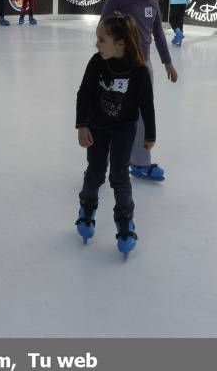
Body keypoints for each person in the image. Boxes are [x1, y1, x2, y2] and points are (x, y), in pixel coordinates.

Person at [75, 13, 154, 257]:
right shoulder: (97, 62)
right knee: (95, 171)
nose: (97, 45)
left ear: (121, 43)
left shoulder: (139, 71)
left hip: (124, 129)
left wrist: (149, 134)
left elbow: (147, 105)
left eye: (102, 40)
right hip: (97, 127)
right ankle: (87, 210)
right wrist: (82, 125)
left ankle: (125, 222)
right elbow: (84, 93)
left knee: (120, 176)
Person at [100, 0, 177, 182]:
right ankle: (99, 162)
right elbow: (102, 26)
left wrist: (168, 62)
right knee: (112, 115)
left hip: (144, 67)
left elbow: (158, 35)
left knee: (142, 116)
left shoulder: (152, 0)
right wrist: (106, 55)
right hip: (119, 67)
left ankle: (141, 163)